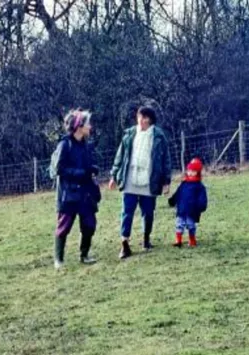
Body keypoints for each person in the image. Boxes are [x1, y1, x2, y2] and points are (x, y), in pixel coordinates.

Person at [109, 106, 172, 259]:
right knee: (127, 212)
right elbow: (120, 156)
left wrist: (166, 181)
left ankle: (146, 239)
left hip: (149, 180)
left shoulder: (159, 136)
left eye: (145, 117)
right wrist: (113, 176)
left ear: (151, 120)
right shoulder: (129, 134)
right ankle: (124, 244)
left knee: (148, 212)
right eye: (140, 117)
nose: (141, 120)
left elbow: (166, 160)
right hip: (130, 178)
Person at [51, 109, 101, 269]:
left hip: (86, 193)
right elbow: (59, 170)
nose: (90, 126)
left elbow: (85, 165)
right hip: (68, 193)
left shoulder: (86, 145)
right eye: (87, 123)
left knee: (89, 224)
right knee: (64, 226)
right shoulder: (64, 145)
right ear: (79, 126)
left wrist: (91, 168)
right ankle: (58, 259)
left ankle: (84, 255)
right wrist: (81, 173)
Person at [168, 158, 208, 247]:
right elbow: (178, 193)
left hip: (192, 211)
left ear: (198, 172)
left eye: (193, 171)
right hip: (181, 209)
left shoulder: (199, 186)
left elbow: (202, 199)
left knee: (191, 225)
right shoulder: (184, 184)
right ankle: (178, 241)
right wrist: (172, 200)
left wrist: (201, 206)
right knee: (179, 224)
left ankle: (192, 240)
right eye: (189, 170)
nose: (190, 172)